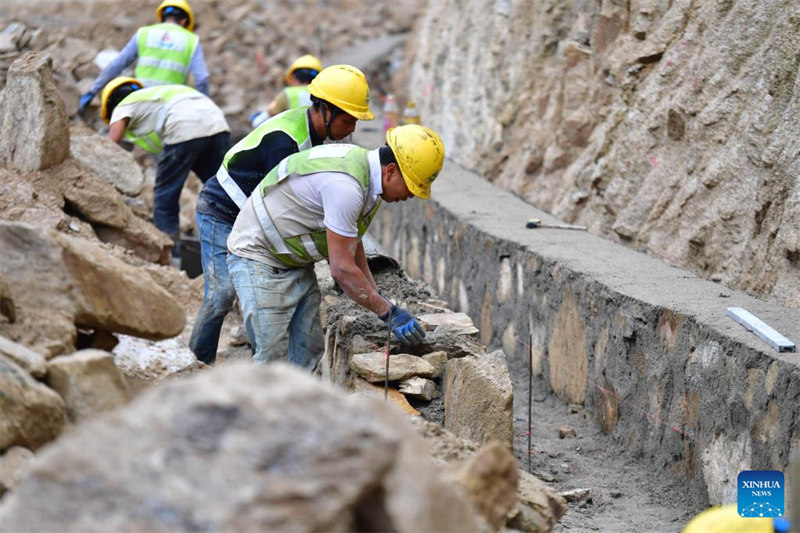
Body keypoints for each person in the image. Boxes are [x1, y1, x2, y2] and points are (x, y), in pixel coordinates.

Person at [189, 64, 374, 365]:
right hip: (222, 211)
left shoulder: (314, 137)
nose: (352, 128)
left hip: (252, 217)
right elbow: (282, 212)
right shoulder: (285, 143)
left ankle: (268, 365)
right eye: (347, 119)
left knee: (266, 298)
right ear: (325, 110)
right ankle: (196, 364)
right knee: (222, 293)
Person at [225, 124, 445, 369]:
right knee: (271, 353)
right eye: (411, 186)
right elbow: (341, 269)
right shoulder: (347, 187)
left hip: (290, 257)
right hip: (258, 255)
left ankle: (298, 395)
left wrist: (374, 294)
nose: (411, 195)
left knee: (308, 348)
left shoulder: (368, 181)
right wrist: (388, 312)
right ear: (391, 171)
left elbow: (353, 242)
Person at [100, 76, 230, 262]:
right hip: (217, 124)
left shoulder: (123, 106)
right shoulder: (155, 95)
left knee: (165, 198)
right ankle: (236, 250)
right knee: (225, 192)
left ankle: (171, 258)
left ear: (111, 105)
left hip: (185, 127)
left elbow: (109, 145)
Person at [79, 0, 209, 114]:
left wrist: (93, 90)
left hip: (141, 99)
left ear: (162, 16)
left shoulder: (144, 33)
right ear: (185, 21)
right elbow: (202, 78)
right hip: (171, 104)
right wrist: (204, 106)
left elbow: (117, 64)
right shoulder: (192, 40)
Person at [249, 54, 322, 128]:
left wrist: (256, 118)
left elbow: (258, 122)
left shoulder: (288, 94)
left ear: (293, 78)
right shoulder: (321, 96)